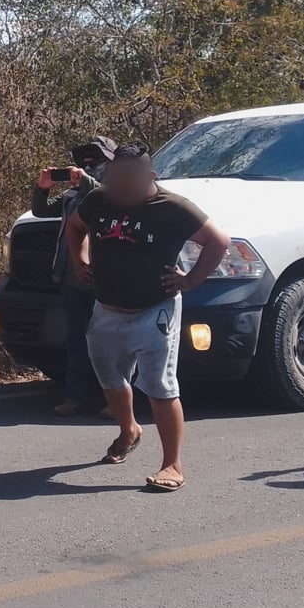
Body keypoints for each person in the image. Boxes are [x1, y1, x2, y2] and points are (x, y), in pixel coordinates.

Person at [63, 144, 231, 493]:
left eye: (129, 179)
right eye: (115, 179)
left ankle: (172, 465)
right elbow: (75, 226)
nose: (121, 186)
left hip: (155, 309)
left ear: (150, 177)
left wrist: (190, 281)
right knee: (109, 378)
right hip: (107, 308)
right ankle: (129, 430)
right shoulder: (99, 201)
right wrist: (80, 262)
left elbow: (218, 241)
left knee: (159, 385)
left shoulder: (173, 207)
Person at [30, 136, 117, 417]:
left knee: (109, 342)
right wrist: (41, 189)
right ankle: (76, 396)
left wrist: (87, 182)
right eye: (86, 161)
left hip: (104, 279)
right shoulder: (71, 196)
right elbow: (41, 211)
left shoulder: (119, 191)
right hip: (70, 278)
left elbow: (105, 199)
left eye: (98, 160)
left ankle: (113, 400)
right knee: (76, 340)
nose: (91, 165)